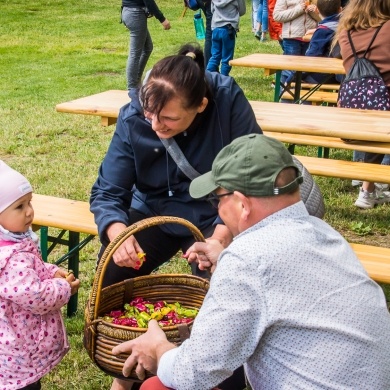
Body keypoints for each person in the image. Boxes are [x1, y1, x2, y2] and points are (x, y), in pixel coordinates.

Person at [112, 134, 390, 390]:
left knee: (156, 387)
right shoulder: (326, 234)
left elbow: (194, 373)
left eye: (216, 199)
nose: (217, 209)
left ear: (243, 205)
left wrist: (159, 349)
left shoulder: (247, 259)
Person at [90, 42, 262, 390]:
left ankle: (216, 377)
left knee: (224, 285)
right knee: (112, 269)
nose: (155, 125)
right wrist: (118, 232)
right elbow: (109, 190)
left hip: (212, 212)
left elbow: (249, 173)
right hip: (152, 208)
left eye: (168, 118)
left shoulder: (226, 99)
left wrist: (219, 238)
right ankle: (125, 372)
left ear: (201, 105)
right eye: (149, 114)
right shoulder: (134, 113)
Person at [0, 160, 80, 390]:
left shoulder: (11, 242)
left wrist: (51, 271)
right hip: (17, 352)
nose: (29, 211)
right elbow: (35, 296)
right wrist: (64, 288)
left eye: (29, 202)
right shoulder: (9, 259)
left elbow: (31, 267)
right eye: (19, 207)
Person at [334, 0, 390, 209]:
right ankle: (368, 186)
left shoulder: (345, 33)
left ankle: (367, 189)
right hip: (382, 113)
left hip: (351, 113)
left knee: (374, 115)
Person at [121, 0, 171, 91]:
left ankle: (136, 82)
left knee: (148, 47)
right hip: (135, 14)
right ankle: (132, 88)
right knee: (135, 53)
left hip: (129, 12)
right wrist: (162, 19)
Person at [273, 0, 319, 84]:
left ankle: (302, 94)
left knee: (307, 70)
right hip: (292, 39)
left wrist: (315, 12)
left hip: (310, 39)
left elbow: (323, 18)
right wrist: (299, 9)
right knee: (290, 70)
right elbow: (277, 16)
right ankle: (285, 93)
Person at [303, 0, 342, 84]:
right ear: (340, 10)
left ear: (317, 9)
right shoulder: (346, 27)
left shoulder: (322, 31)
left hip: (324, 75)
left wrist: (294, 77)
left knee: (293, 86)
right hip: (342, 75)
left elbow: (311, 57)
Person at [206, 0, 246, 76]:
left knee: (215, 56)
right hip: (228, 29)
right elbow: (242, 11)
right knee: (226, 59)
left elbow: (212, 10)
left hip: (216, 28)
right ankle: (223, 79)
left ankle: (207, 77)